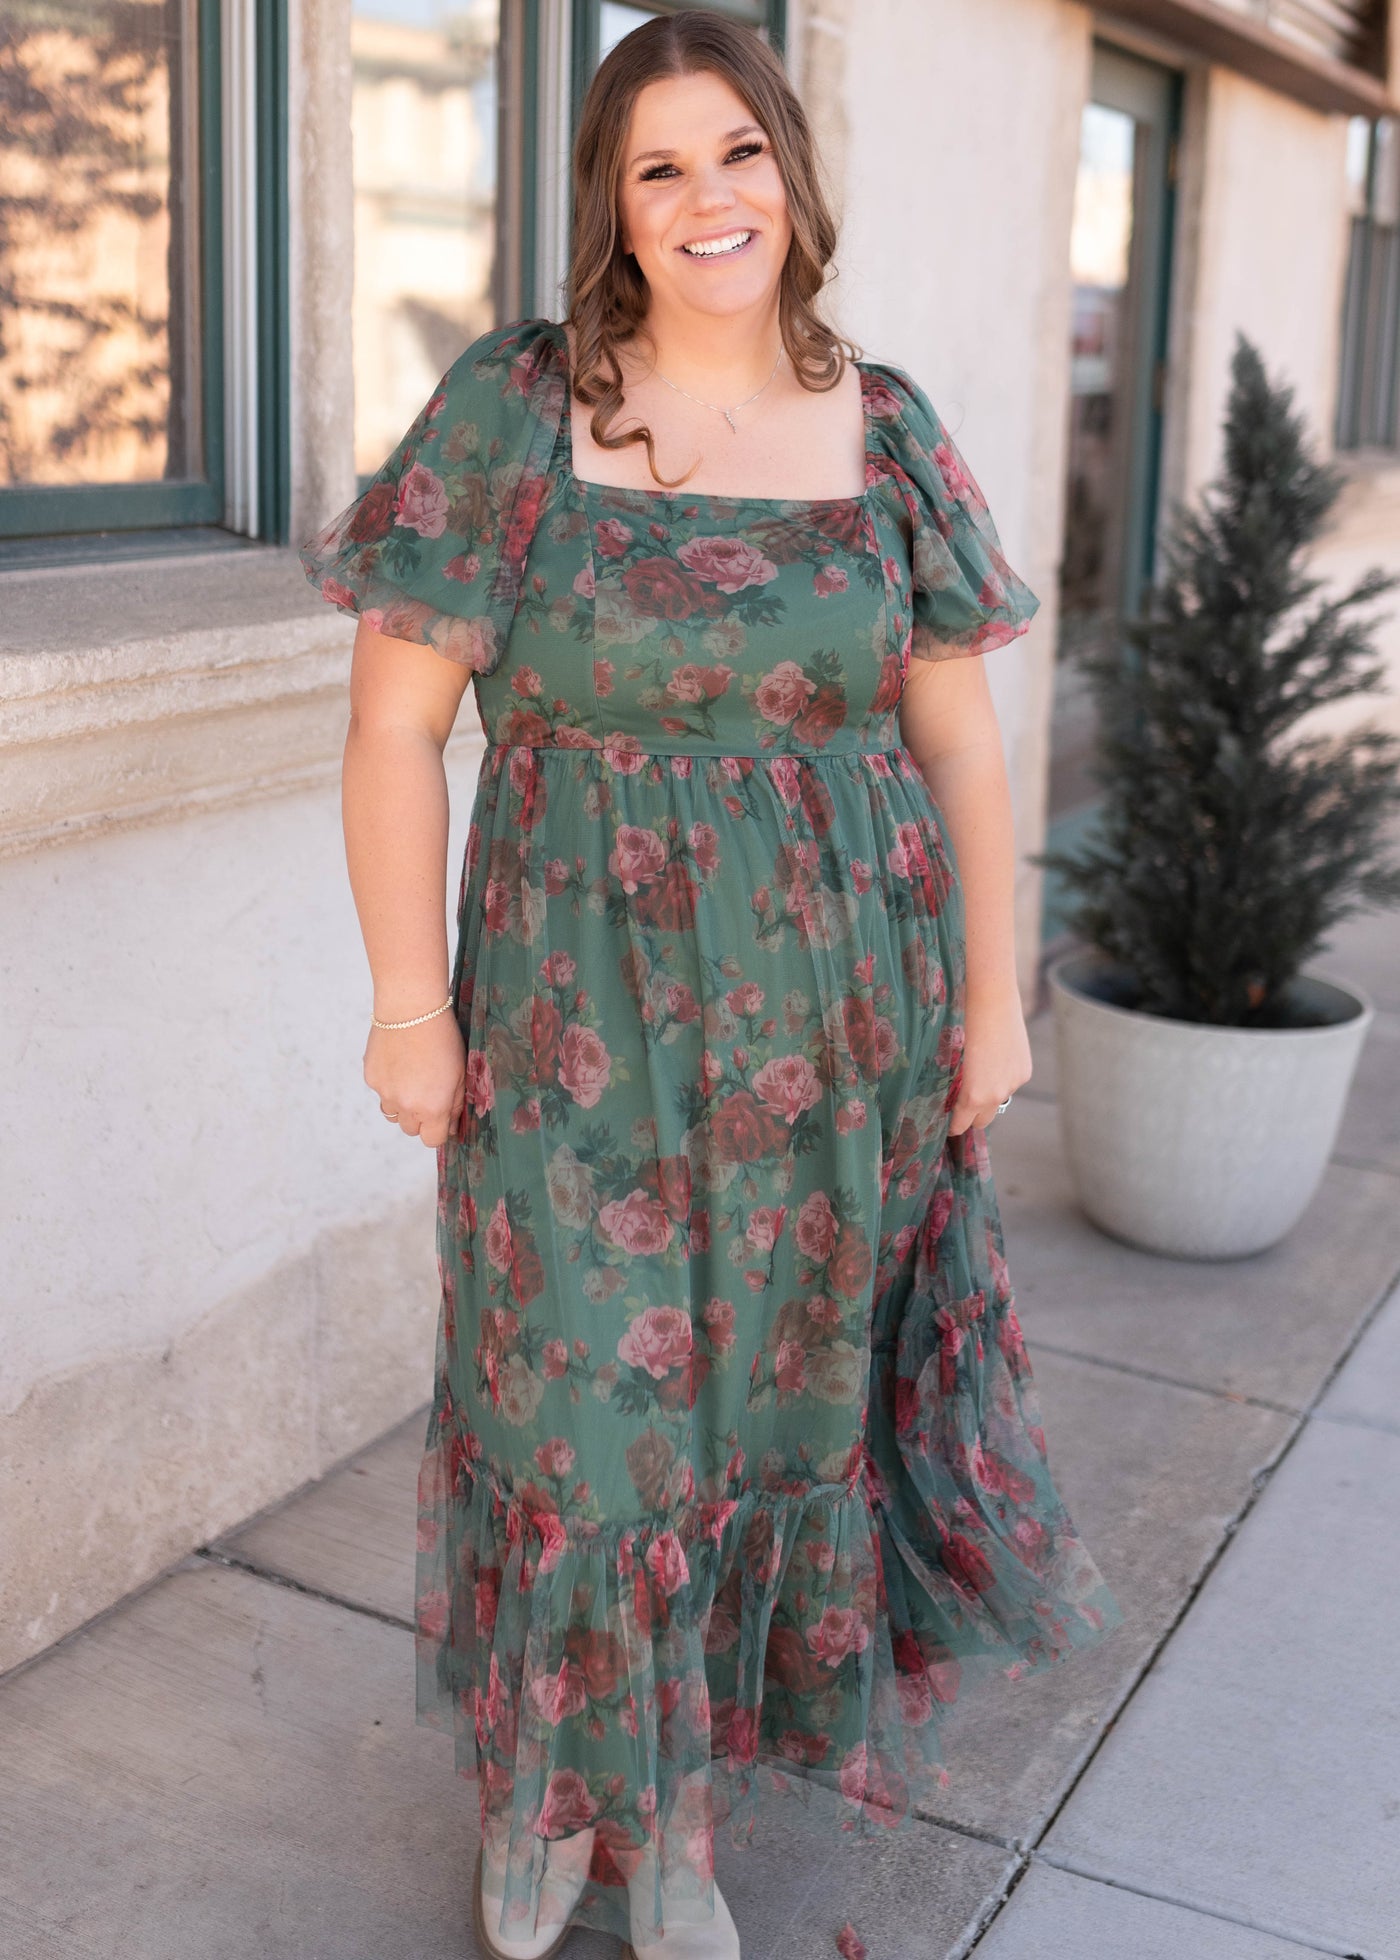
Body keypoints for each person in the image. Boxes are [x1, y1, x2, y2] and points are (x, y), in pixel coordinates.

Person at [300, 12, 1124, 1958]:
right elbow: (393, 731)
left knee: (754, 1428)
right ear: (611, 204)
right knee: (583, 1418)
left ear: (792, 174)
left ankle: (664, 1820)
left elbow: (964, 747)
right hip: (567, 1035)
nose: (705, 199)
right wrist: (407, 1005)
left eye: (735, 153)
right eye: (658, 166)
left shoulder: (886, 422)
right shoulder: (515, 413)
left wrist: (995, 1002)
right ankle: (539, 1785)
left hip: (837, 1038)